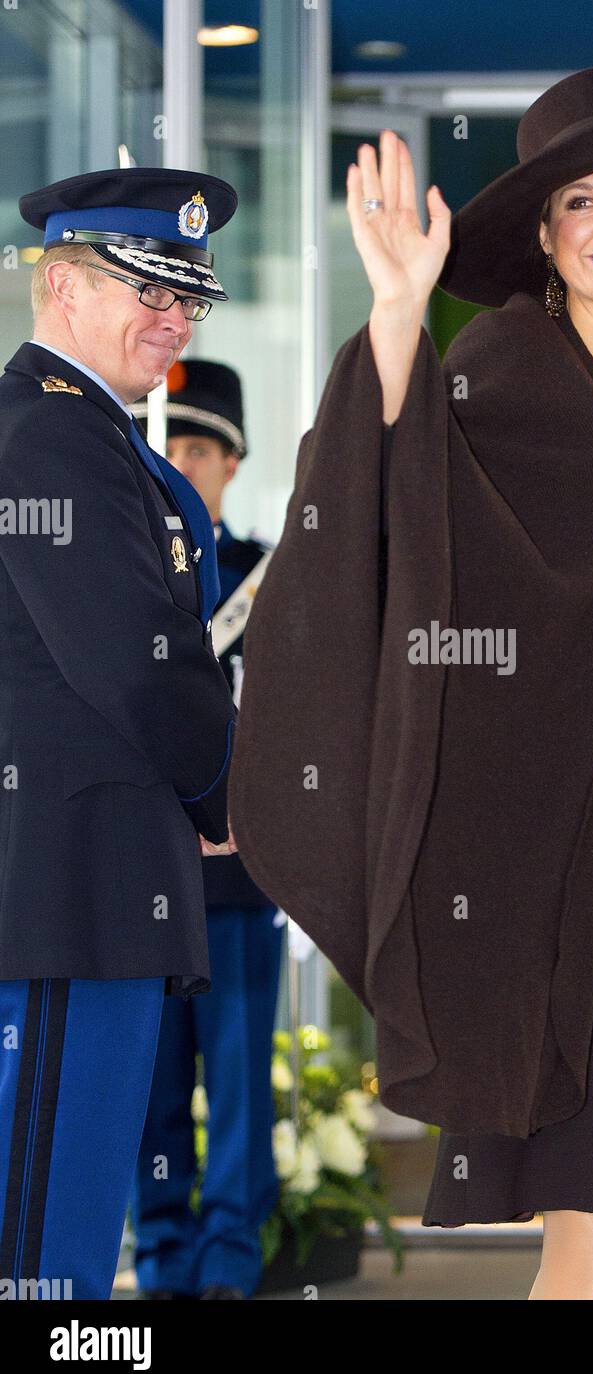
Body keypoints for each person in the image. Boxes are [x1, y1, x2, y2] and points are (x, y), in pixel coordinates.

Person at [229, 65, 593, 1302]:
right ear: (546, 239)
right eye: (579, 203)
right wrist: (397, 312)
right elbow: (386, 499)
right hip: (549, 844)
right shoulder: (502, 365)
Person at [0, 168, 240, 1300]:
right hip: (65, 894)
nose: (174, 317)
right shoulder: (55, 437)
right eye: (145, 288)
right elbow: (138, 660)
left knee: (65, 1215)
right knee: (45, 1231)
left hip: (83, 889)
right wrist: (227, 797)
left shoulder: (81, 432)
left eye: (189, 296)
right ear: (58, 284)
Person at [129, 361, 283, 1301]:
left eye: (198, 447)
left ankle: (228, 1267)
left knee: (236, 1084)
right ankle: (159, 1263)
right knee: (145, 1087)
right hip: (138, 876)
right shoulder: (114, 576)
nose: (180, 463)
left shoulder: (272, 581)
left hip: (236, 879)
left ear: (232, 463)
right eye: (165, 446)